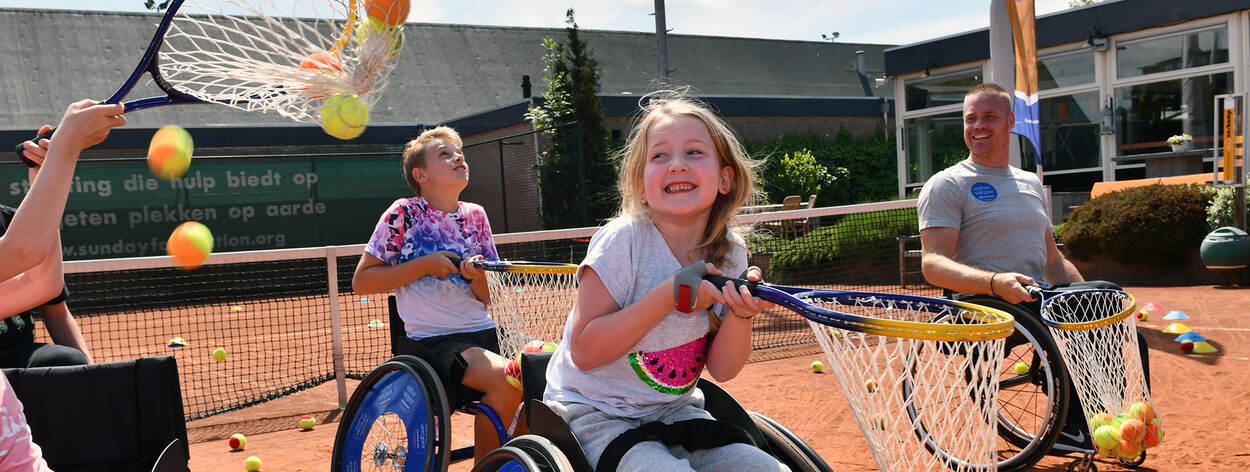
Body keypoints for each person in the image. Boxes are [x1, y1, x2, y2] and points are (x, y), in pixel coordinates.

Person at [543, 94, 789, 472]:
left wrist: (741, 315)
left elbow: (723, 369)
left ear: (725, 178)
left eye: (694, 152)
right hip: (593, 412)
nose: (676, 164)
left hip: (677, 411)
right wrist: (669, 295)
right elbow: (585, 352)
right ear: (641, 186)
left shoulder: (732, 253)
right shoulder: (622, 241)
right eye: (659, 156)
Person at [917, 83, 1148, 448]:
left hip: (1034, 299)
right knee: (1089, 305)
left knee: (1112, 306)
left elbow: (1053, 260)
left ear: (1011, 121)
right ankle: (1071, 426)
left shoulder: (1029, 183)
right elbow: (933, 264)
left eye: (989, 117)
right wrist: (995, 282)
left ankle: (1114, 418)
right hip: (982, 307)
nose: (979, 126)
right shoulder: (947, 184)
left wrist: (1087, 299)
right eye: (971, 118)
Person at [352, 126, 519, 463]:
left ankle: (517, 461)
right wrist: (424, 265)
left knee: (547, 370)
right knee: (509, 380)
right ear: (421, 175)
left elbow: (490, 297)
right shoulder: (403, 213)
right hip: (434, 343)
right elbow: (362, 282)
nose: (458, 158)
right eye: (445, 154)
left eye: (459, 153)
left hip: (487, 333)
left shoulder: (476, 215)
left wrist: (475, 277)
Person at [0, 101, 123, 366]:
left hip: (21, 362)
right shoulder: (20, 241)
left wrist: (43, 176)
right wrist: (66, 145)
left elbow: (45, 285)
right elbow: (22, 251)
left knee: (66, 360)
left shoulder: (10, 221)